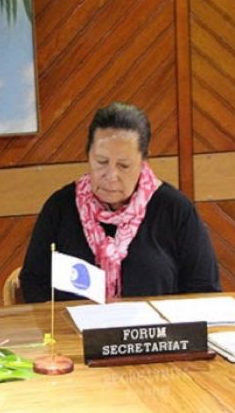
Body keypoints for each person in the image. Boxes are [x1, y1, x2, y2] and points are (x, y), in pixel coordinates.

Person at [20, 102, 220, 303]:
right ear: (87, 155)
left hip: (156, 332)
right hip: (75, 331)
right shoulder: (60, 207)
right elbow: (33, 281)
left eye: (124, 165)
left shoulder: (175, 209)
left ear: (143, 162)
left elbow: (204, 288)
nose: (111, 175)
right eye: (101, 162)